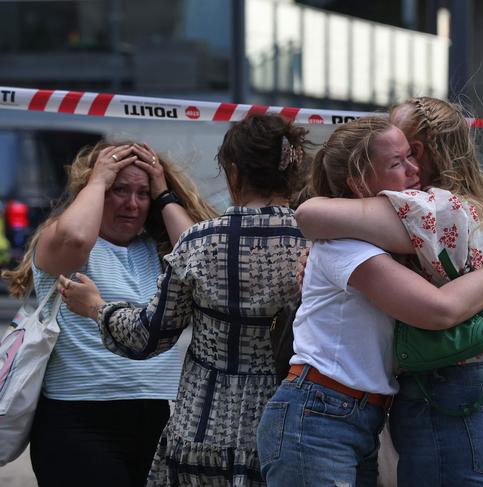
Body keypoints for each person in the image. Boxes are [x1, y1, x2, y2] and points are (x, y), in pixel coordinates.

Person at [256, 115, 483, 487]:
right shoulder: (345, 246)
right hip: (319, 413)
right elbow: (438, 309)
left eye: (412, 157)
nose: (414, 170)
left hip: (352, 414)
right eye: (397, 163)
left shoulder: (379, 238)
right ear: (357, 181)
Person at [59, 114, 311, 487]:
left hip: (202, 430)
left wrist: (96, 306)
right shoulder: (318, 241)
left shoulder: (201, 242)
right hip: (290, 424)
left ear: (234, 174)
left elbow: (148, 336)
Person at [1, 141, 216, 486]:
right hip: (78, 423)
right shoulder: (64, 242)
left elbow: (203, 261)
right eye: (119, 190)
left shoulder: (157, 250)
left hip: (155, 420)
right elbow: (73, 237)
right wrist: (98, 180)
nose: (131, 204)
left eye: (142, 193)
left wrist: (163, 193)